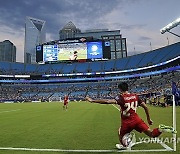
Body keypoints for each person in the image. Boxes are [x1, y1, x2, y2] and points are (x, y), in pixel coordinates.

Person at [86, 82, 176, 149]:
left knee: (119, 132)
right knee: (152, 134)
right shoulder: (135, 96)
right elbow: (145, 107)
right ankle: (161, 129)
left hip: (127, 123)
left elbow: (108, 101)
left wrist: (92, 100)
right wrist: (148, 118)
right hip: (137, 120)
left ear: (120, 89)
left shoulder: (121, 97)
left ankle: (124, 145)